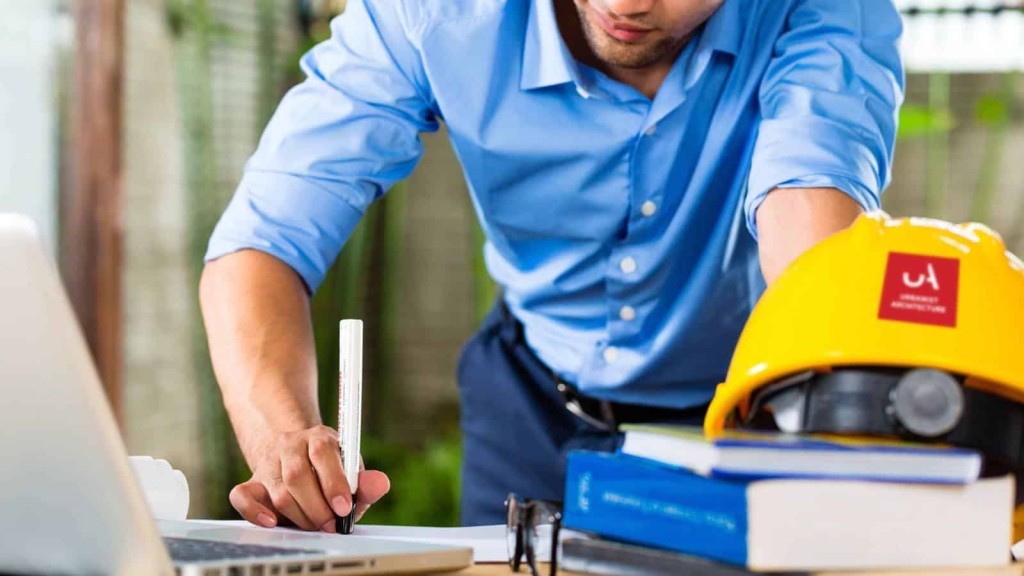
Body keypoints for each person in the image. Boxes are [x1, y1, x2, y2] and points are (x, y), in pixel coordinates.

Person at [200, 0, 904, 531]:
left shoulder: (827, 11)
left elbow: (809, 209)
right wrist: (285, 437)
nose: (628, 4)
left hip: (745, 418)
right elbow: (265, 238)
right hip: (531, 403)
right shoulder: (430, 13)